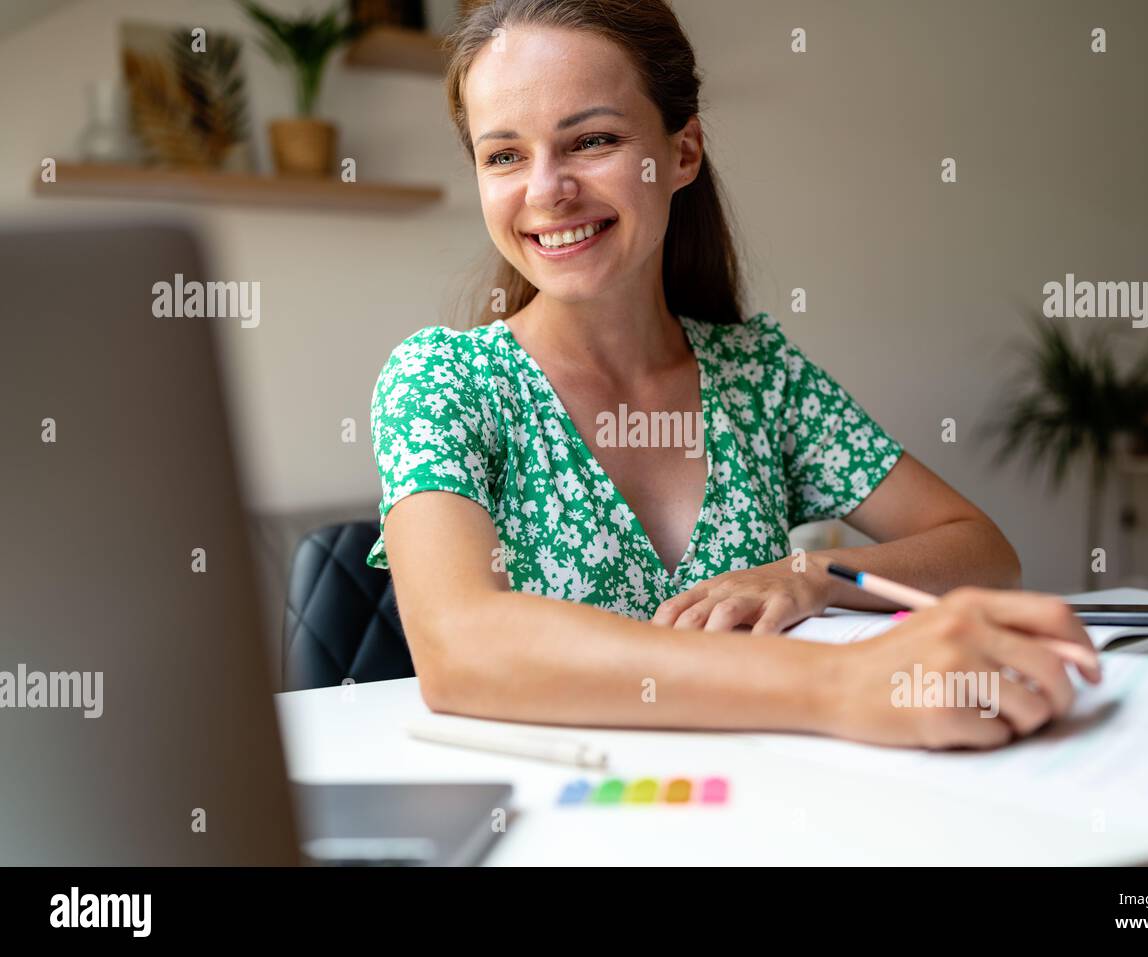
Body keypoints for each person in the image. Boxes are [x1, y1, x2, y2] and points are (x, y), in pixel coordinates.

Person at [365, 0, 1100, 750]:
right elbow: (458, 648)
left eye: (592, 140)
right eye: (505, 155)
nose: (547, 189)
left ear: (682, 153)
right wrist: (840, 685)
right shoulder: (440, 383)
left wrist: (813, 572)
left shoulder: (760, 377)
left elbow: (982, 551)